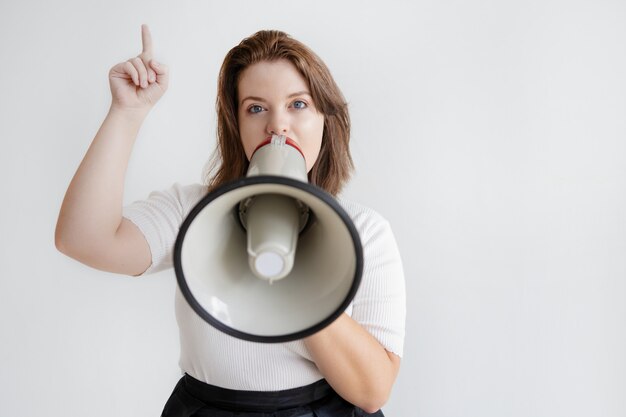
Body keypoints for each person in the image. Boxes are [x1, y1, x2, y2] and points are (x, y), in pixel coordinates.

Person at [55, 24, 406, 417]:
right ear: (235, 124)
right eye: (256, 108)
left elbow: (373, 391)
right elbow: (83, 239)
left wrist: (304, 279)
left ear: (325, 118)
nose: (278, 125)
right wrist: (127, 112)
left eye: (298, 104)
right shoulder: (194, 212)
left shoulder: (365, 232)